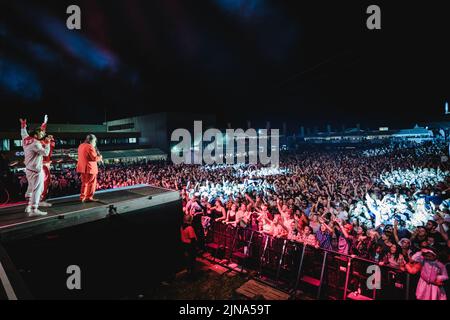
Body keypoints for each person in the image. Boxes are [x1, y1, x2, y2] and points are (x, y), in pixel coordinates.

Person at [20, 117, 51, 216]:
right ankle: (34, 209)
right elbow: (46, 153)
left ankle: (29, 206)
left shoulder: (26, 139)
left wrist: (23, 125)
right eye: (41, 134)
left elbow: (23, 132)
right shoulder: (36, 143)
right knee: (37, 190)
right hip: (36, 171)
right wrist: (47, 143)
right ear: (36, 135)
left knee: (30, 189)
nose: (43, 135)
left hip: (29, 169)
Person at [76, 134, 103, 202]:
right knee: (91, 183)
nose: (95, 142)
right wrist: (100, 157)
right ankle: (89, 197)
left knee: (84, 183)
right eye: (94, 141)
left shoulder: (81, 145)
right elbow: (94, 158)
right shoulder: (90, 147)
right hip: (90, 168)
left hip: (82, 167)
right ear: (92, 140)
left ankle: (82, 197)